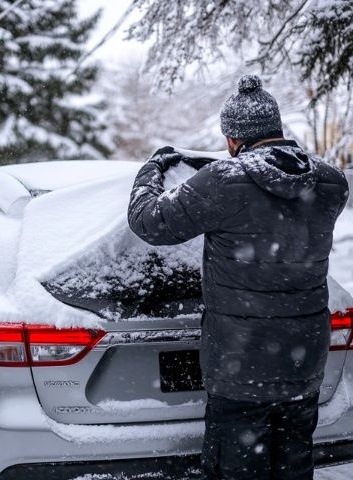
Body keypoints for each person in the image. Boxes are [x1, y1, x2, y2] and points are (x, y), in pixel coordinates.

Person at [127, 74, 349, 480]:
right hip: (303, 363)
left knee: (235, 471)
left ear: (232, 139)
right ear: (277, 128)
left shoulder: (225, 182)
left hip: (240, 366)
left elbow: (149, 223)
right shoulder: (330, 182)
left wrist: (150, 172)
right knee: (293, 469)